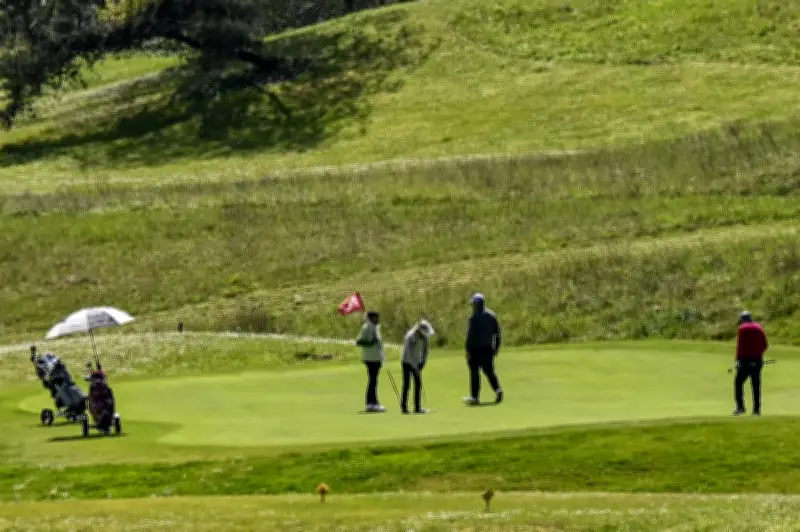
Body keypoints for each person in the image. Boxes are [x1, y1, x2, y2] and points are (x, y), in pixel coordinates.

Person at [463, 293, 503, 406]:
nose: (473, 307)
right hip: (488, 349)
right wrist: (497, 347)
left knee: (474, 372)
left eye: (474, 304)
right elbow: (497, 333)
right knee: (489, 371)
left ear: (477, 305)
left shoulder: (473, 318)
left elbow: (470, 336)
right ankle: (498, 390)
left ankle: (475, 397)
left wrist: (467, 351)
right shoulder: (492, 316)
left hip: (476, 349)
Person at [733, 310, 769, 416]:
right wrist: (758, 355)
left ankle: (740, 408)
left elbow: (741, 346)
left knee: (738, 383)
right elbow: (765, 345)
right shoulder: (759, 327)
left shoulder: (742, 328)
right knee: (756, 385)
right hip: (757, 360)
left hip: (745, 360)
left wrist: (738, 360)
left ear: (742, 319)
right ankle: (756, 410)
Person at [401, 319, 435, 414]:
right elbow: (408, 353)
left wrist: (423, 363)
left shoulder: (424, 337)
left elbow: (425, 351)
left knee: (418, 384)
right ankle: (404, 407)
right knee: (407, 385)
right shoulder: (410, 337)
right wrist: (414, 367)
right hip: (407, 362)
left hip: (417, 362)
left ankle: (417, 408)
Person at [356, 310, 386, 412]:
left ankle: (374, 402)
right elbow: (358, 341)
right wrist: (371, 342)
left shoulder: (375, 327)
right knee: (372, 381)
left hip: (376, 358)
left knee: (374, 381)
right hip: (370, 358)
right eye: (375, 318)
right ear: (370, 318)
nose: (378, 319)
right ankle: (370, 403)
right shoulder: (367, 327)